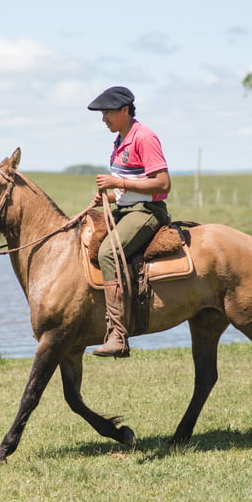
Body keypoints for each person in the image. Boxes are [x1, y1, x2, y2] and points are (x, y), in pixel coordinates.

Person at [87, 86, 172, 358]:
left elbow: (163, 184)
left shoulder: (144, 137)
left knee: (108, 252)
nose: (104, 120)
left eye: (108, 113)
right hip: (128, 208)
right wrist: (110, 196)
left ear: (125, 110)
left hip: (147, 211)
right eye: (102, 114)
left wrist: (118, 182)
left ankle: (118, 334)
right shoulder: (120, 139)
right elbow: (131, 187)